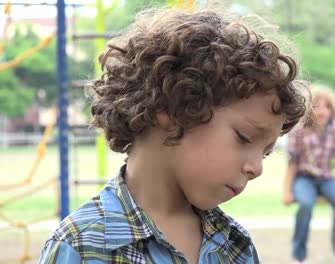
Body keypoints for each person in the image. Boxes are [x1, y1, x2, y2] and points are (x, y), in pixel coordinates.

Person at [39, 7, 307, 264]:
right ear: (173, 107)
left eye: (266, 152)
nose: (256, 168)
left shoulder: (236, 246)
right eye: (245, 137)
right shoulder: (80, 246)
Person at [283, 86, 335, 264]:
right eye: (317, 106)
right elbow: (292, 163)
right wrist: (287, 192)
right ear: (309, 108)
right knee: (306, 204)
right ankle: (298, 256)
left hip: (327, 178)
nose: (322, 111)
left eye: (327, 107)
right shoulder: (298, 130)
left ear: (332, 110)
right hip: (304, 177)